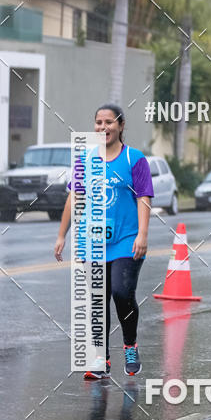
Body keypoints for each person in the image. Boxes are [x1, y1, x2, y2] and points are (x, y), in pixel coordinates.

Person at [54, 105, 153, 379]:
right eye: (98, 122)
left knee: (122, 292)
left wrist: (142, 234)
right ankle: (101, 359)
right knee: (97, 301)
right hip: (92, 241)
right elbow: (74, 199)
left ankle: (130, 345)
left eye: (109, 122)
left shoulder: (135, 159)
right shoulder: (84, 160)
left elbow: (144, 198)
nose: (103, 127)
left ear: (121, 126)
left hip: (125, 240)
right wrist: (62, 235)